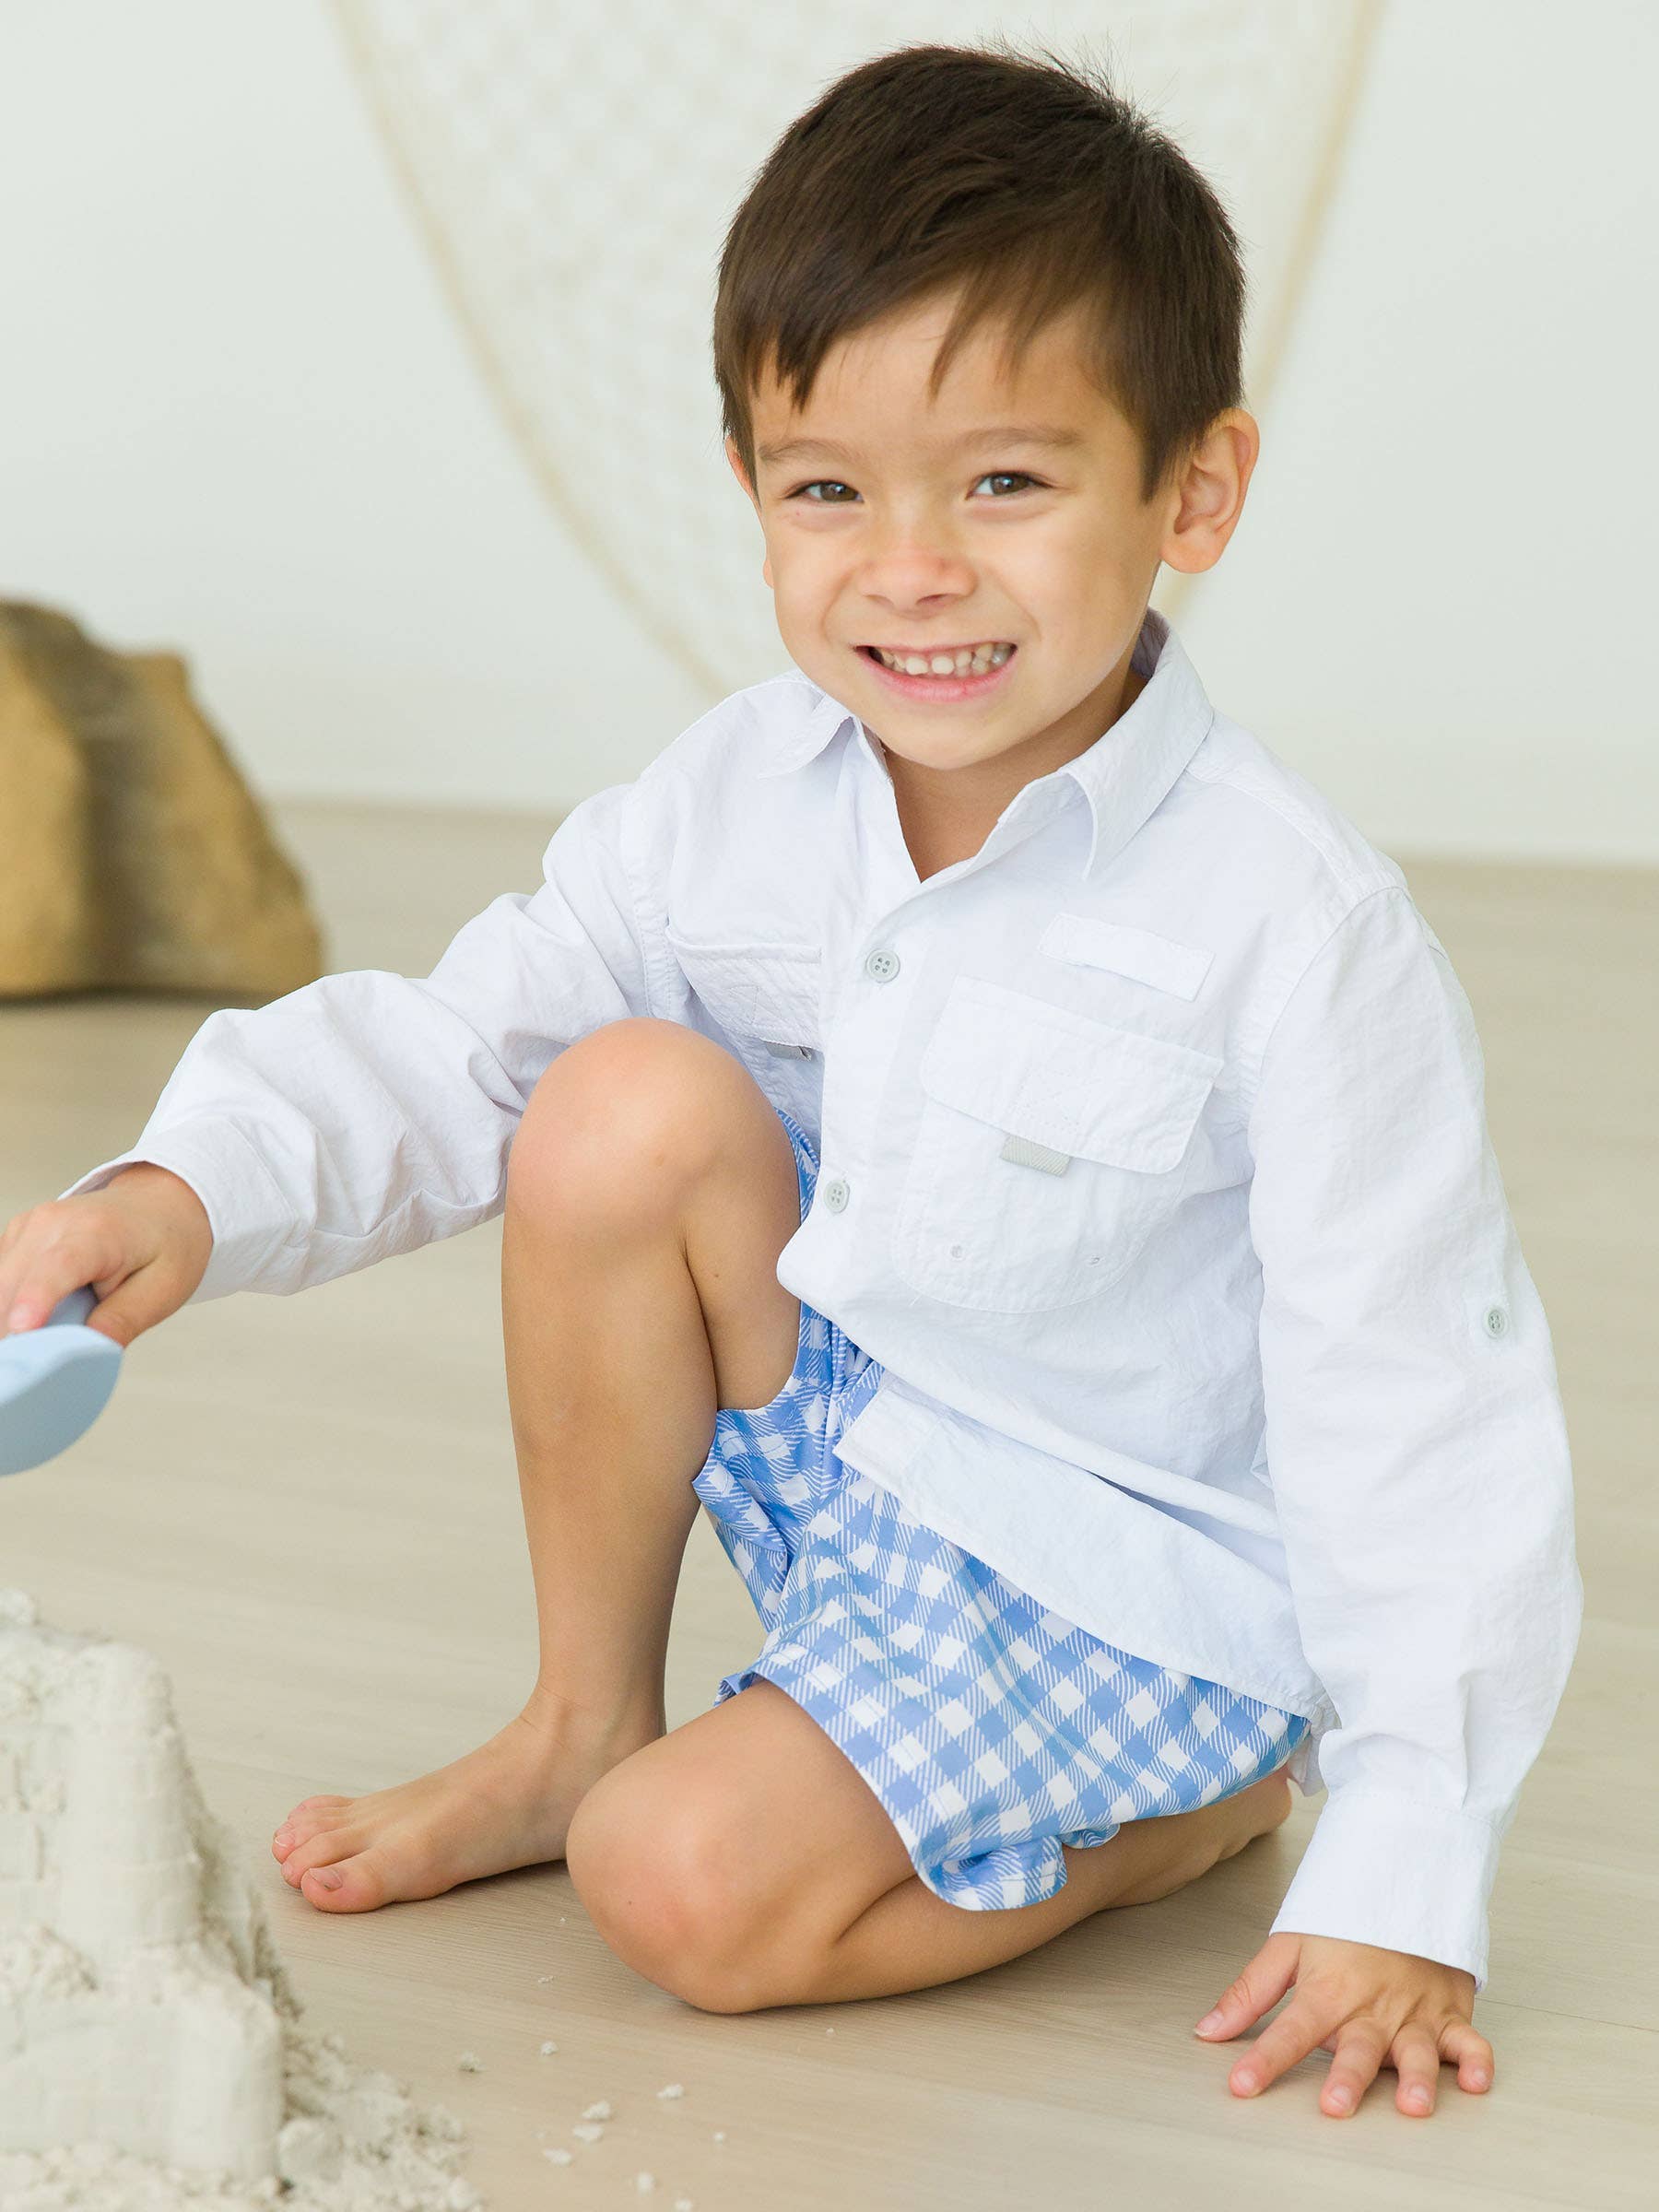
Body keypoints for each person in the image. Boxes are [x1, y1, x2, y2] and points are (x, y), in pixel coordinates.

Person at [0, 39, 1578, 2123]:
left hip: (1115, 1579)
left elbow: (1419, 1395)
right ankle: (578, 1724)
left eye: (1004, 486)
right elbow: (471, 1041)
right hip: (863, 1455)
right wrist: (182, 1187)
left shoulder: (1298, 922)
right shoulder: (736, 798)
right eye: (829, 489)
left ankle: (1184, 1811)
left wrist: (1408, 1857)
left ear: (1193, 490)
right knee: (616, 1104)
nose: (909, 569)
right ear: (751, 482)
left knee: (680, 1890)